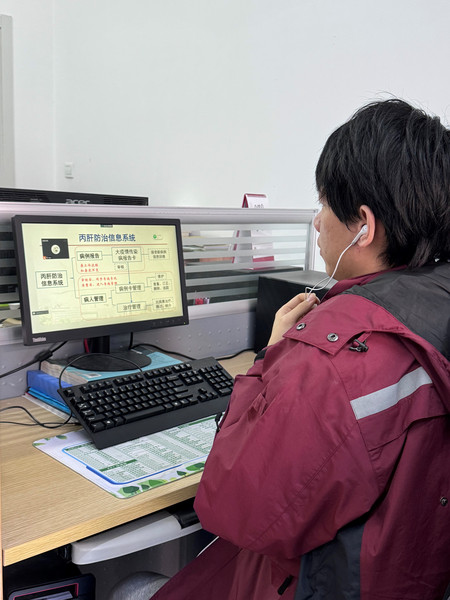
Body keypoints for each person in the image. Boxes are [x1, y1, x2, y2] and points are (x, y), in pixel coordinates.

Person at [152, 99, 450, 600]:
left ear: (363, 225)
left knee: (138, 586)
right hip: (400, 577)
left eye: (323, 204)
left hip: (313, 585)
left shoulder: (333, 356)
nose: (316, 222)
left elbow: (234, 509)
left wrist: (269, 360)